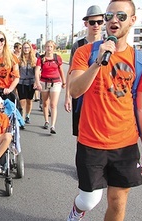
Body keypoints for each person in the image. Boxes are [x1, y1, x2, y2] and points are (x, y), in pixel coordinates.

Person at [65, 1, 142, 221]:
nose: (114, 20)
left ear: (132, 20)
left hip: (125, 143)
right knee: (90, 199)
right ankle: (77, 209)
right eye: (109, 15)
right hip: (91, 141)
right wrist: (99, 61)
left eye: (121, 15)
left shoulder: (141, 61)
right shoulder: (86, 53)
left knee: (118, 200)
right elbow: (74, 90)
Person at [64, 5, 104, 136]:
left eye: (99, 22)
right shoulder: (78, 46)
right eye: (92, 22)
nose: (96, 25)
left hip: (99, 95)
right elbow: (71, 71)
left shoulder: (107, 44)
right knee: (81, 132)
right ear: (86, 24)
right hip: (80, 94)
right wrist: (67, 97)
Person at [34, 40, 65, 134]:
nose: (49, 48)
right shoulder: (41, 58)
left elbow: (61, 70)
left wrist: (64, 82)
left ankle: (53, 125)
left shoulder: (57, 58)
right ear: (45, 48)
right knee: (45, 103)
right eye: (47, 46)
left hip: (55, 82)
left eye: (51, 46)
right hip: (44, 82)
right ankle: (46, 121)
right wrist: (38, 82)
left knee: (53, 104)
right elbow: (37, 71)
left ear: (53, 48)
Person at [16, 41, 37, 125]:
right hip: (21, 82)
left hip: (31, 82)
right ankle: (23, 118)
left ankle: (28, 115)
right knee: (22, 101)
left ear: (30, 49)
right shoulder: (19, 60)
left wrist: (36, 81)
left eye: (27, 48)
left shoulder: (34, 60)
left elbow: (37, 72)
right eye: (24, 48)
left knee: (29, 100)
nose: (26, 49)